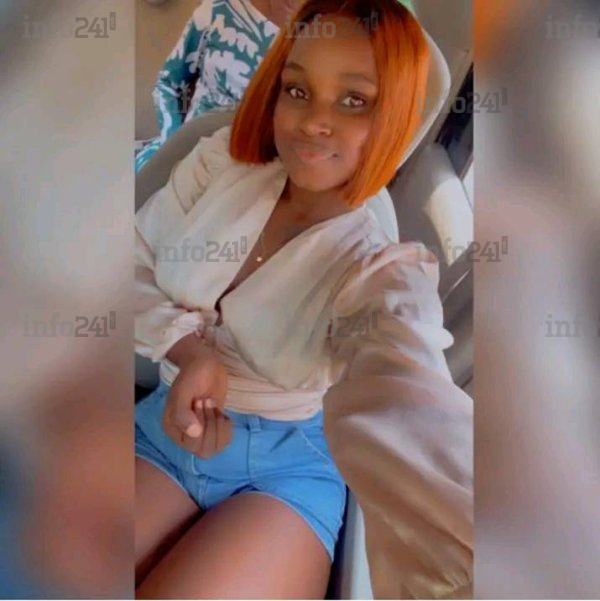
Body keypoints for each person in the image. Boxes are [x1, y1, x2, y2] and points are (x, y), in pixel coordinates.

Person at [134, 0, 473, 598]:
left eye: (354, 100)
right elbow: (126, 262)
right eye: (298, 90)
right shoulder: (220, 161)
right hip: (163, 427)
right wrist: (189, 352)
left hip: (285, 473)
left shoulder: (377, 262)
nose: (314, 121)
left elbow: (406, 381)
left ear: (394, 114)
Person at [135, 0, 415, 172]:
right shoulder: (219, 9)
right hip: (177, 153)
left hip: (256, 175)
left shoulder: (335, 44)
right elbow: (170, 83)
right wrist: (174, 147)